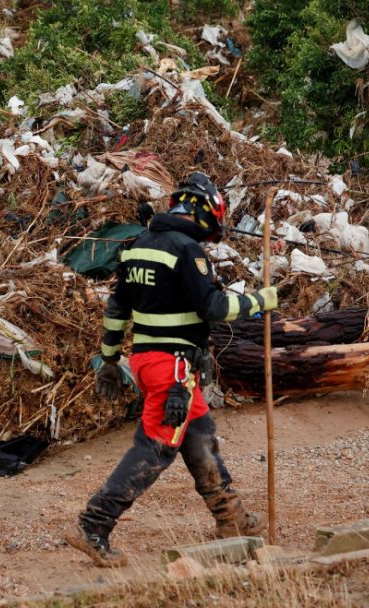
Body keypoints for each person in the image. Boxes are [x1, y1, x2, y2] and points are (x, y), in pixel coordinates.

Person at [65, 172, 278, 567]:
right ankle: (93, 525)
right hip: (172, 368)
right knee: (156, 447)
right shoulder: (187, 250)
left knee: (199, 435)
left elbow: (116, 312)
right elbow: (213, 308)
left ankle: (231, 518)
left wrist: (110, 361)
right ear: (207, 213)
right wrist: (260, 300)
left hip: (147, 361)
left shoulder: (138, 247)